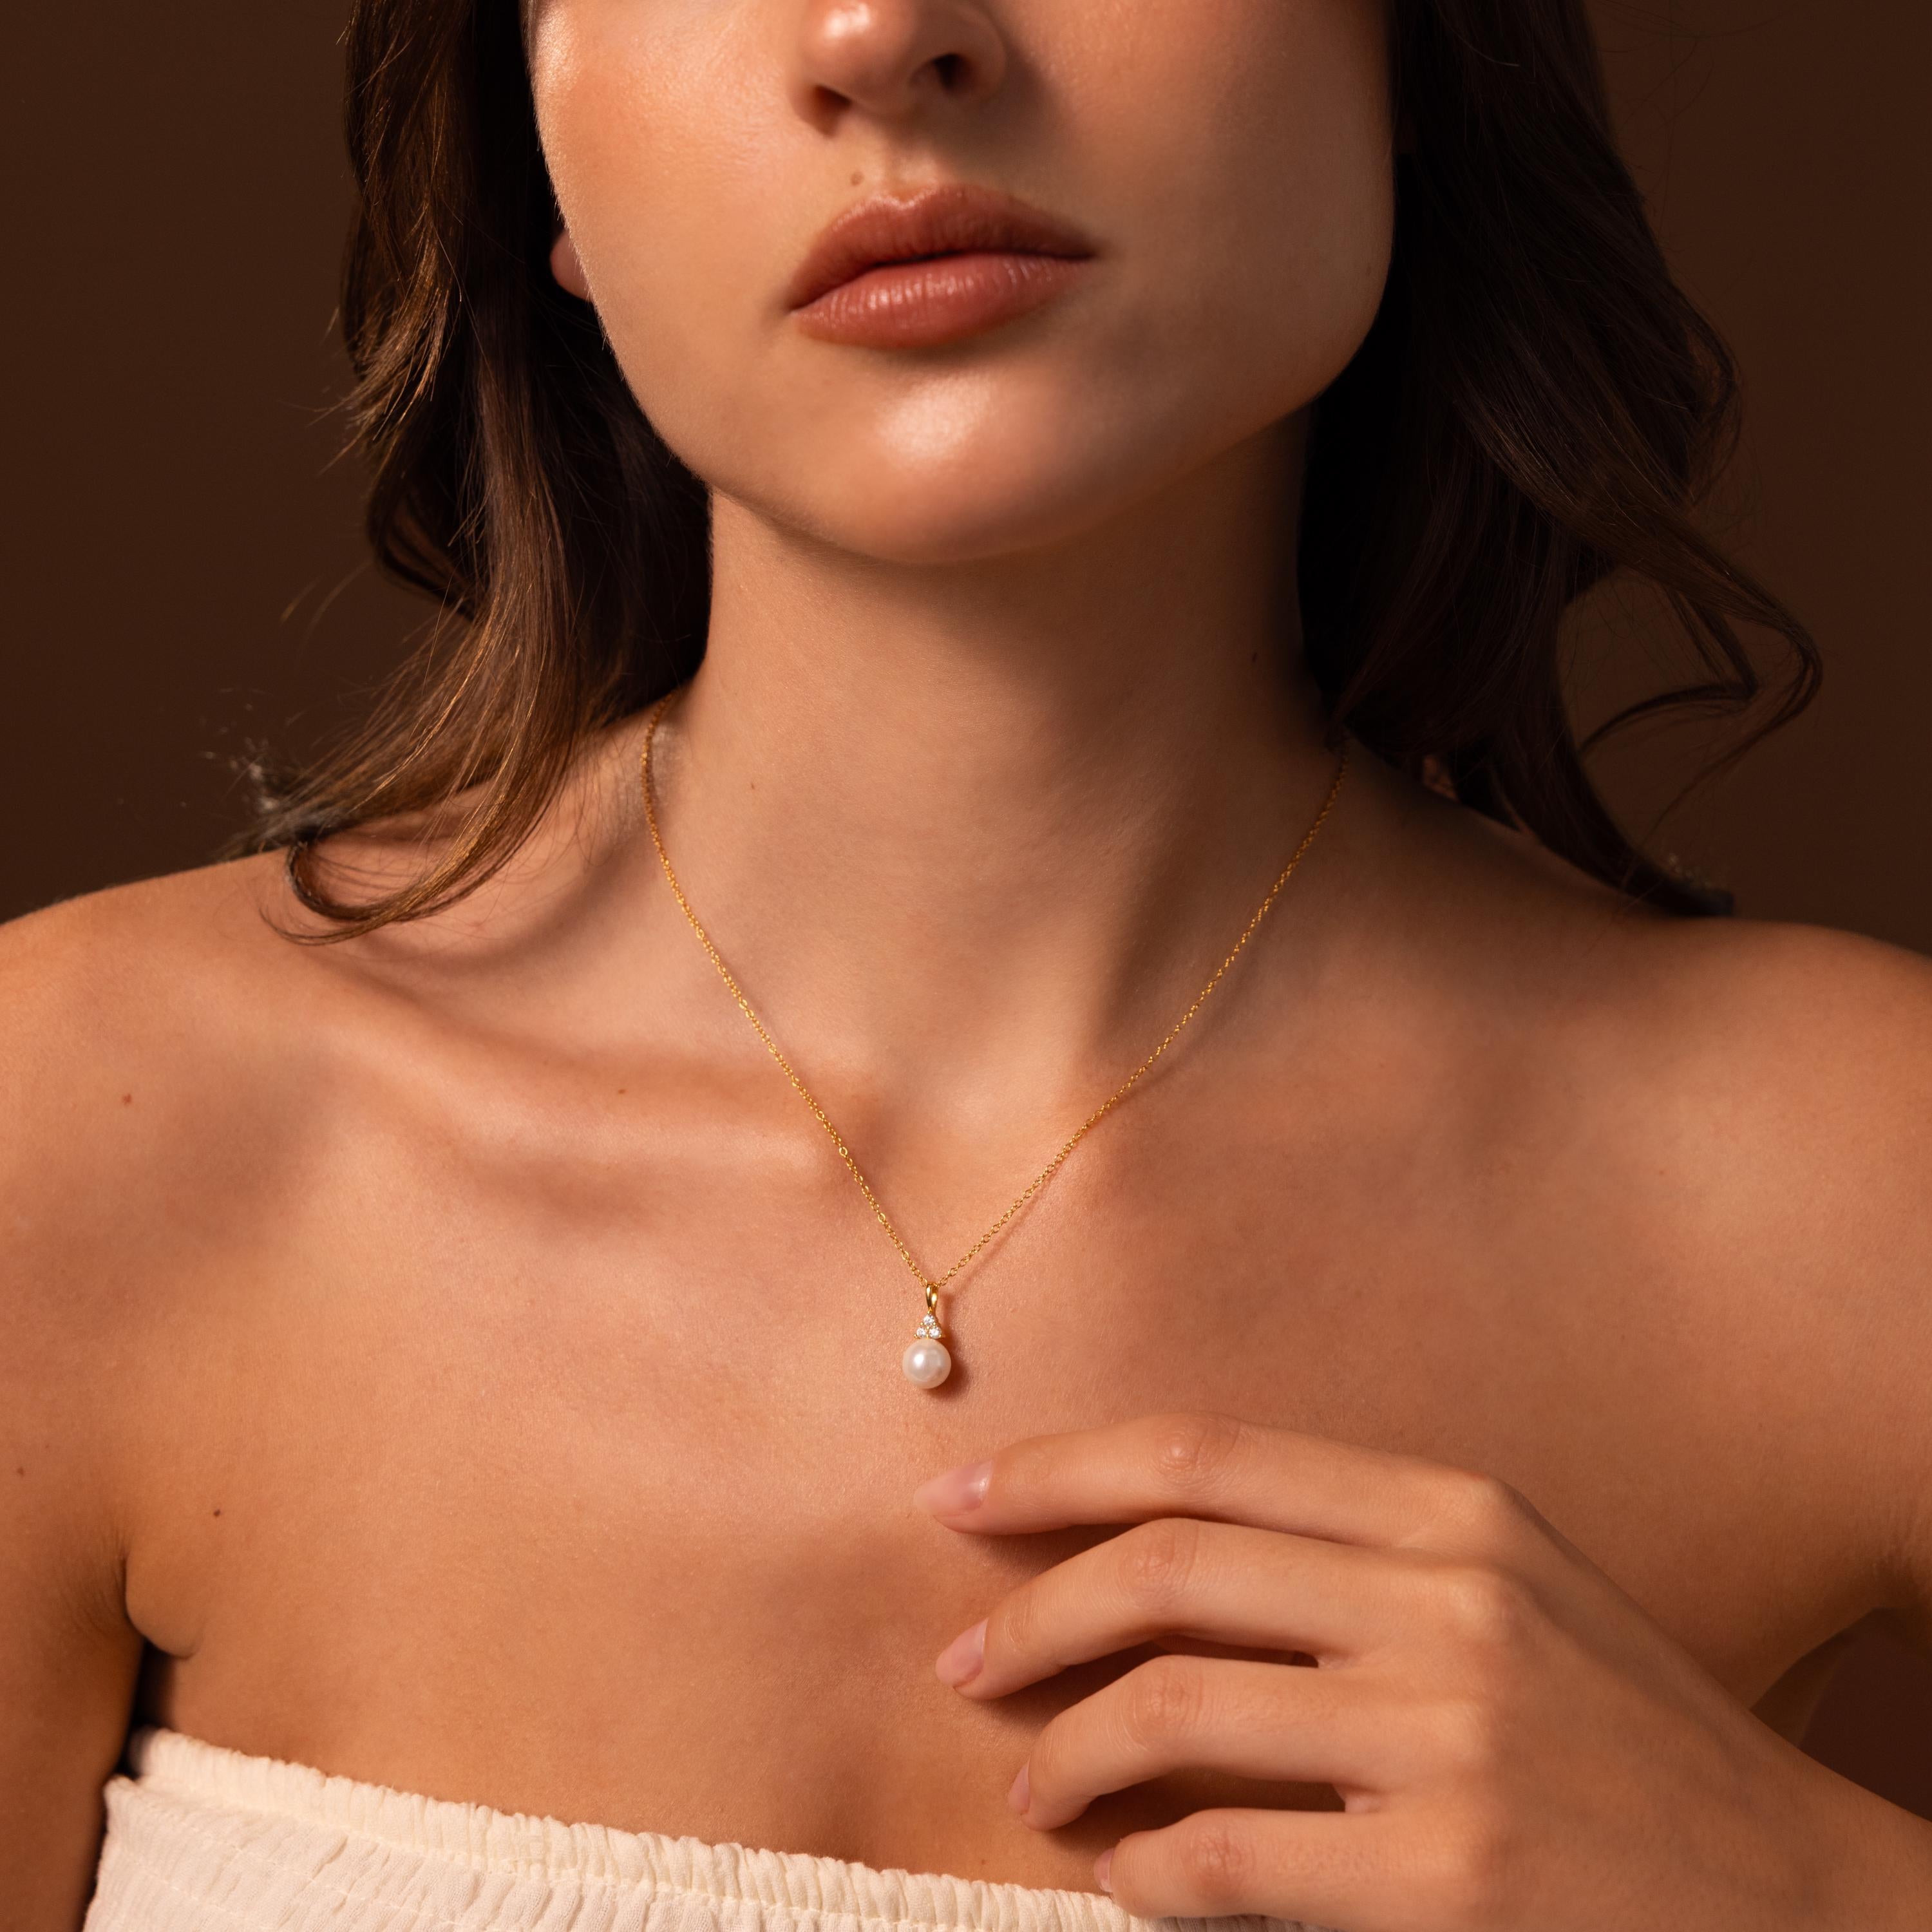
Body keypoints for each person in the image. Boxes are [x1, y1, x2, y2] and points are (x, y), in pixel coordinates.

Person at [5, 0, 1929, 1926]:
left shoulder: (1839, 1186)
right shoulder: (80, 1138)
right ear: (537, 158)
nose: (884, 32)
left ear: (1414, 48)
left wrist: (1812, 1889)